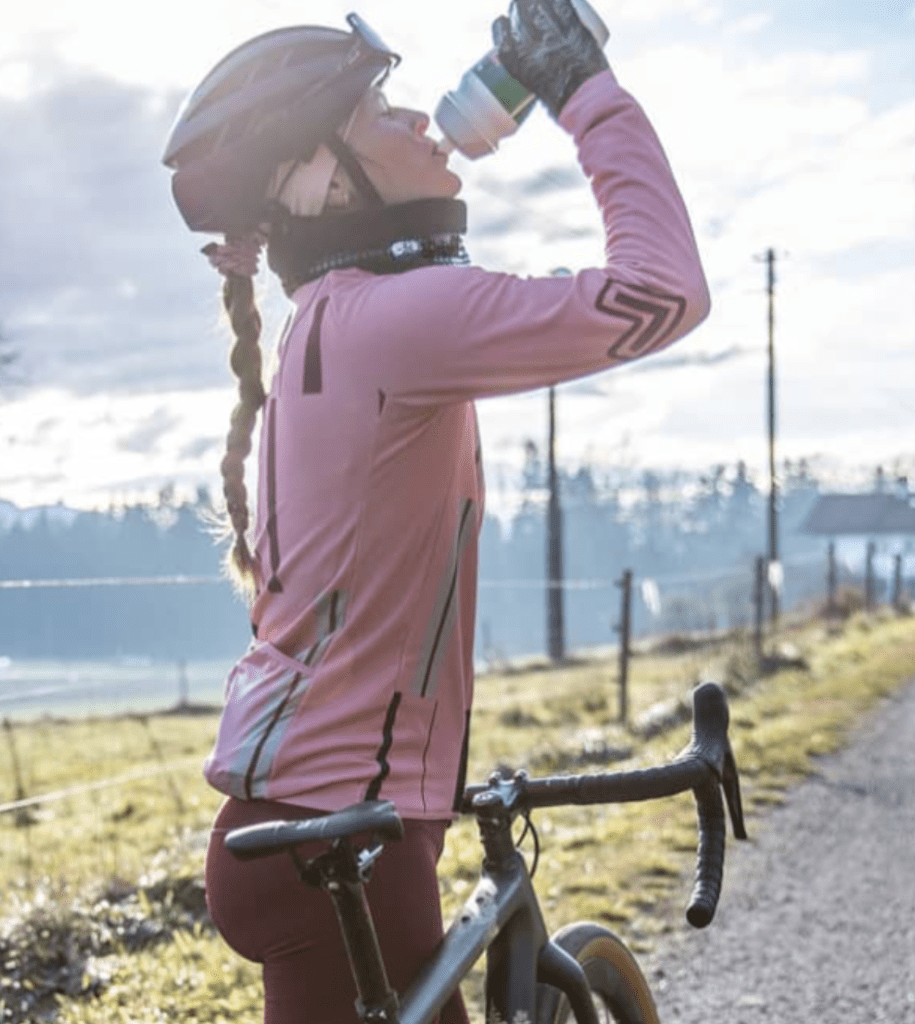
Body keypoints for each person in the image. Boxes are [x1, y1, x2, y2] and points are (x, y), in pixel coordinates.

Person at [161, 2, 710, 1022]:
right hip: (341, 849)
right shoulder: (394, 322)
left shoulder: (328, 324)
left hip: (313, 832)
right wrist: (584, 91)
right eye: (377, 110)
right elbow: (664, 289)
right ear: (327, 181)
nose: (419, 119)